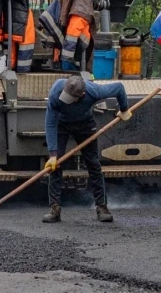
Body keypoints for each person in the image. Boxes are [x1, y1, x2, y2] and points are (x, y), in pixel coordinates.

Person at [42, 75, 133, 223]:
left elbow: (119, 88)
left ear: (82, 95)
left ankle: (102, 207)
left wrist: (124, 110)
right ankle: (54, 209)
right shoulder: (56, 92)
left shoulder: (94, 91)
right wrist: (53, 154)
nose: (67, 100)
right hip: (61, 125)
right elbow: (50, 123)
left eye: (71, 98)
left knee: (93, 163)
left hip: (85, 124)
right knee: (55, 165)